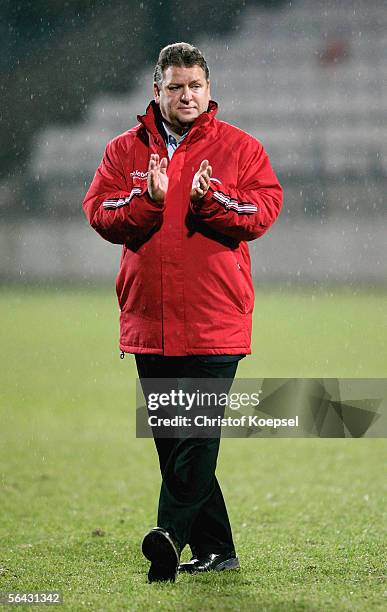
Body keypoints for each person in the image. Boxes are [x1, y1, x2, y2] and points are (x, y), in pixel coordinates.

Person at [83, 42, 283, 583]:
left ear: (209, 90)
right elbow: (100, 214)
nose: (186, 95)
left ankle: (169, 535)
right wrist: (148, 199)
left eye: (195, 86)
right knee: (177, 444)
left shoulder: (241, 148)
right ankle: (218, 550)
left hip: (217, 321)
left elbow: (261, 211)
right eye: (175, 86)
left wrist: (210, 199)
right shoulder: (123, 150)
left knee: (195, 435)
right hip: (150, 322)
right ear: (157, 91)